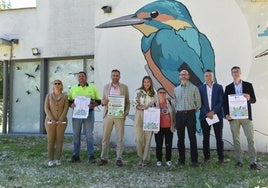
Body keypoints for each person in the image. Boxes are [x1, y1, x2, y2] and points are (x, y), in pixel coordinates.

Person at [223, 66, 260, 170]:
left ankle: (253, 162)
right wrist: (226, 114)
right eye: (233, 72)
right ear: (232, 74)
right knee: (236, 139)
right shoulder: (228, 87)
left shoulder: (248, 85)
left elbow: (254, 100)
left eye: (237, 72)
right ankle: (239, 161)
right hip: (233, 117)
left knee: (250, 139)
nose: (235, 73)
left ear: (241, 73)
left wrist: (249, 98)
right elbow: (225, 103)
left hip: (246, 117)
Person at [98, 69, 130, 167]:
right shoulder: (106, 87)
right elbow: (103, 100)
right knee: (105, 137)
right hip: (108, 114)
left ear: (119, 77)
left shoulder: (124, 87)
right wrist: (103, 102)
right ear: (111, 76)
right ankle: (104, 158)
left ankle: (119, 158)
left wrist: (126, 112)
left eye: (117, 75)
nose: (115, 77)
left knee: (120, 137)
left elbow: (128, 102)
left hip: (120, 115)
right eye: (113, 75)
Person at [68, 71, 101, 163]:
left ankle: (91, 156)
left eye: (83, 76)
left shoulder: (92, 87)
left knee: (89, 135)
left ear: (86, 77)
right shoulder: (73, 88)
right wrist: (71, 105)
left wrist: (93, 105)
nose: (81, 78)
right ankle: (76, 155)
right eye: (79, 76)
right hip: (77, 114)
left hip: (89, 114)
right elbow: (69, 101)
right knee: (76, 135)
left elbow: (99, 101)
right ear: (78, 78)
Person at [174, 69, 201, 167]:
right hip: (179, 115)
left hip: (190, 115)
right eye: (181, 74)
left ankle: (194, 161)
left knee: (192, 138)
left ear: (188, 76)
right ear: (179, 77)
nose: (183, 76)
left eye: (185, 74)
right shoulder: (176, 89)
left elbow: (198, 103)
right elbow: (175, 102)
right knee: (180, 138)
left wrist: (191, 111)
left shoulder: (194, 88)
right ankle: (181, 160)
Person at [199, 70, 224, 164]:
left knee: (219, 138)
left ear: (213, 77)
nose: (208, 77)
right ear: (204, 77)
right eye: (206, 76)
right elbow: (199, 103)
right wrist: (207, 113)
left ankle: (221, 158)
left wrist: (213, 112)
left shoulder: (219, 87)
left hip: (217, 116)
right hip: (205, 117)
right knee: (206, 138)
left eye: (210, 75)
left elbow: (221, 101)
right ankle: (207, 158)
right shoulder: (200, 88)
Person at [44, 79, 69, 167]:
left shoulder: (65, 97)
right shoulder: (48, 96)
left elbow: (66, 108)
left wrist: (61, 119)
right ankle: (50, 160)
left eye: (59, 83)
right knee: (51, 140)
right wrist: (52, 119)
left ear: (61, 86)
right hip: (50, 122)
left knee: (59, 140)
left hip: (61, 122)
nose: (57, 85)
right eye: (55, 83)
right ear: (53, 85)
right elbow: (46, 108)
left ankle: (58, 159)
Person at [133, 76, 157, 167]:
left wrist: (153, 109)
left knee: (148, 138)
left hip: (150, 115)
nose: (146, 83)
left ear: (150, 83)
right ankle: (140, 156)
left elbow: (155, 103)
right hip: (139, 114)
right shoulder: (138, 91)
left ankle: (145, 159)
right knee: (138, 138)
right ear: (142, 83)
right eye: (145, 82)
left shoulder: (153, 93)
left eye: (148, 82)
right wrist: (142, 107)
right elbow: (134, 104)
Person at [154, 88, 175, 167]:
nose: (162, 94)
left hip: (169, 127)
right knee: (159, 144)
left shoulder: (169, 102)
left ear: (165, 94)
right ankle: (159, 160)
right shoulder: (154, 104)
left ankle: (168, 160)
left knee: (168, 144)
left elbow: (174, 113)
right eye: (160, 92)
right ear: (157, 94)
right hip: (159, 128)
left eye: (163, 92)